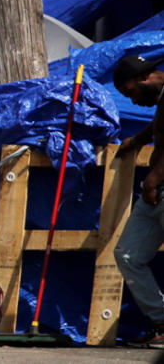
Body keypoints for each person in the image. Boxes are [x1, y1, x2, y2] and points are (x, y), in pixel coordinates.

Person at [111, 54, 164, 347]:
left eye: (130, 92)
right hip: (156, 192)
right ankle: (162, 320)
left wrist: (153, 180)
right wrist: (137, 141)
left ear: (145, 77)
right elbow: (160, 127)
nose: (131, 102)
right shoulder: (161, 102)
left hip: (157, 186)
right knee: (128, 255)